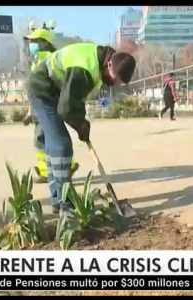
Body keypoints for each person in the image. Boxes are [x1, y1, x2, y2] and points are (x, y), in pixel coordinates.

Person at [25, 43, 136, 214]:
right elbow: (66, 109)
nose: (114, 83)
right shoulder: (85, 68)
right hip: (43, 90)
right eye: (115, 79)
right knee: (61, 145)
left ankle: (57, 200)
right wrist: (81, 126)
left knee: (55, 145)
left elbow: (76, 99)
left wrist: (82, 124)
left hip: (57, 92)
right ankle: (65, 206)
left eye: (119, 82)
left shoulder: (102, 63)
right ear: (110, 65)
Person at [22, 27, 79, 184]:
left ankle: (64, 168)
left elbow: (43, 86)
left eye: (35, 41)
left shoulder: (46, 57)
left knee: (48, 140)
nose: (31, 44)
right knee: (45, 140)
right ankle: (49, 171)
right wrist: (30, 111)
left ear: (44, 42)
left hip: (47, 105)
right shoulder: (38, 58)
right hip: (41, 106)